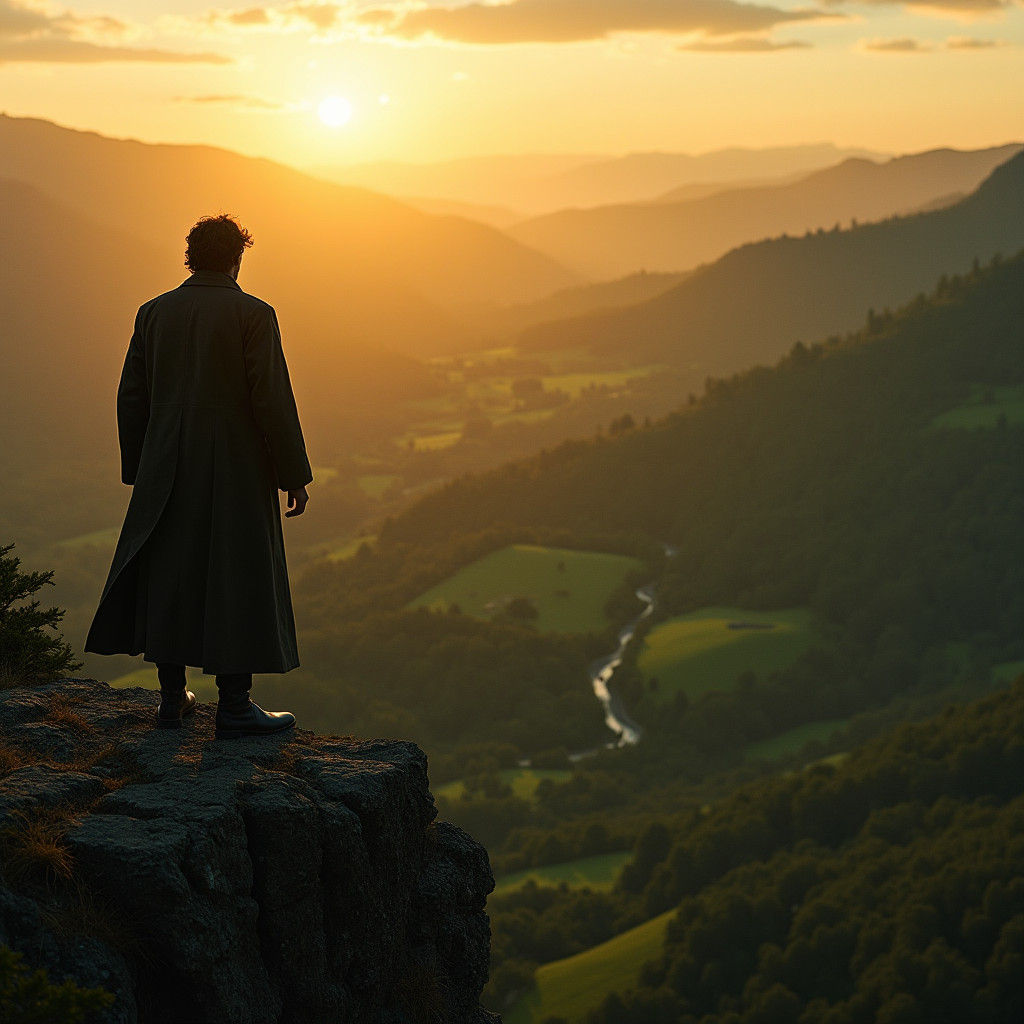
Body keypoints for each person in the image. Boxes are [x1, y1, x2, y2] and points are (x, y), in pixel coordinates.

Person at [84, 215, 312, 738]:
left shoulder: (153, 313)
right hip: (235, 466)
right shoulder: (254, 314)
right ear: (237, 259)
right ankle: (234, 706)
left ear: (190, 258)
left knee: (169, 571)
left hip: (164, 464)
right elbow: (271, 398)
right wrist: (292, 474)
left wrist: (140, 468)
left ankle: (171, 700)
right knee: (237, 573)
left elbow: (131, 396)